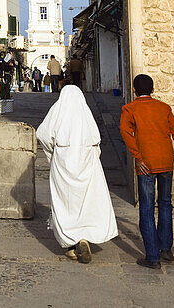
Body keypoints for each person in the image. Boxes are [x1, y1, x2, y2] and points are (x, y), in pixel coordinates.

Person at [37, 83, 118, 264]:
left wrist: (53, 154)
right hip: (87, 161)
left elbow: (42, 134)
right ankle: (83, 237)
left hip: (63, 161)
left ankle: (72, 241)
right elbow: (96, 140)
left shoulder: (58, 110)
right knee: (86, 200)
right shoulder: (85, 113)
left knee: (65, 201)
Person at [120, 74, 174, 270]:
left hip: (146, 165)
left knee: (147, 208)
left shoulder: (130, 109)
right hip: (166, 162)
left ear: (134, 90)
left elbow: (125, 132)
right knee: (165, 204)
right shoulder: (164, 108)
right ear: (153, 90)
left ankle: (152, 256)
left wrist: (138, 156)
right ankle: (166, 249)